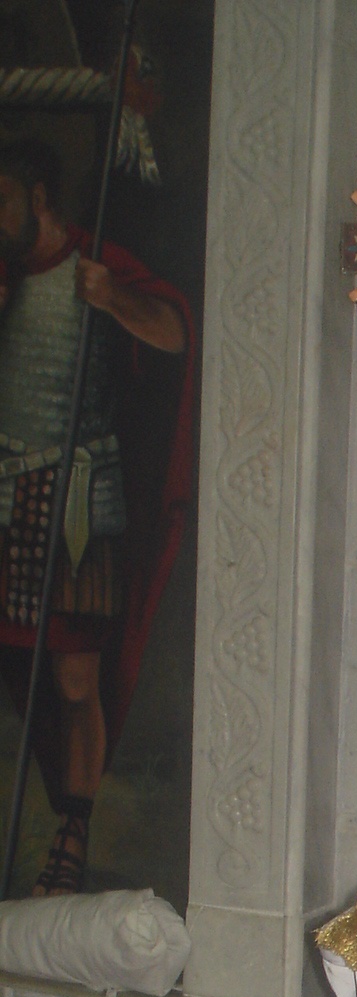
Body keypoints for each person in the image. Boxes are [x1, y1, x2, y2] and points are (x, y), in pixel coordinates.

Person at [0, 137, 193, 895]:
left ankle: (72, 833)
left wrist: (113, 299)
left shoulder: (94, 266)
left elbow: (175, 333)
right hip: (3, 496)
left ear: (37, 198)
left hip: (78, 499)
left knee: (77, 678)